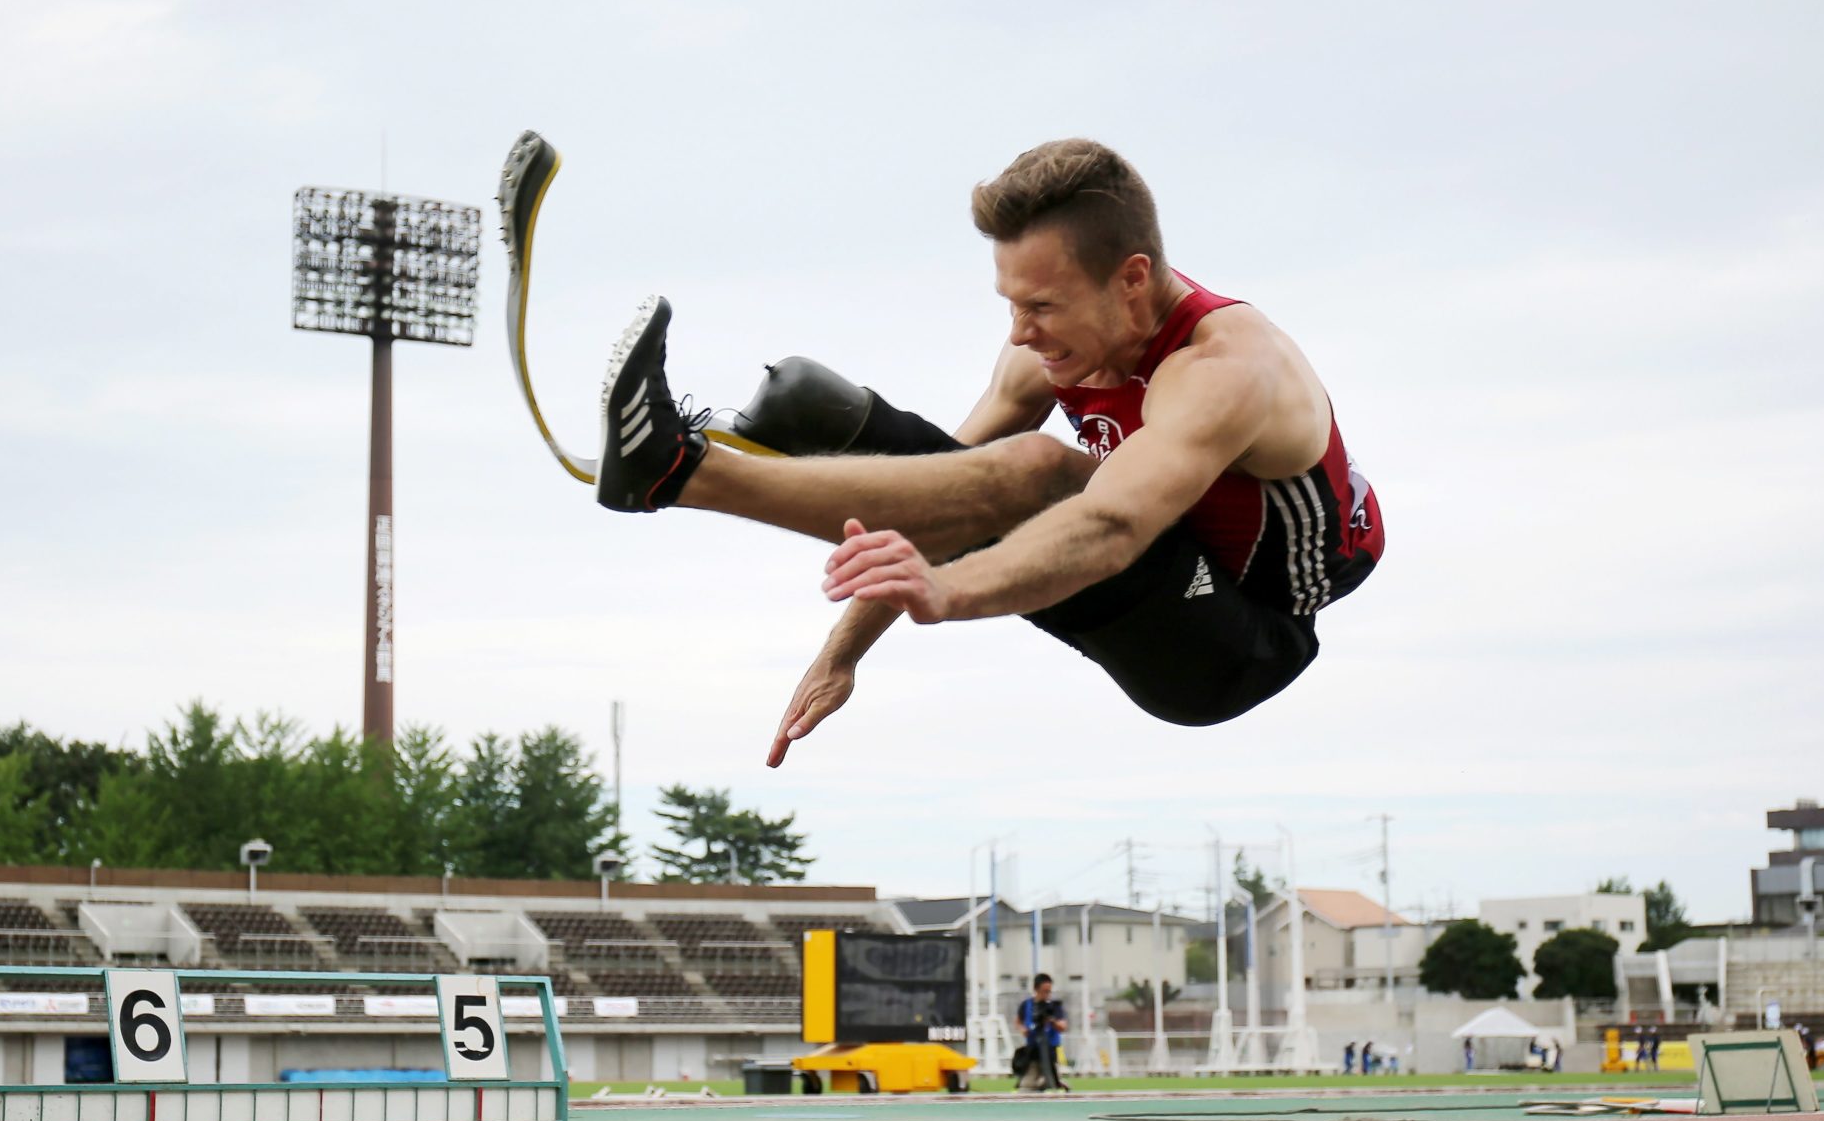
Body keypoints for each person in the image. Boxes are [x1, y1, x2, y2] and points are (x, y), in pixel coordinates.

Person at [592, 140, 1385, 761]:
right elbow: (947, 495)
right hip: (1152, 583)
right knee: (810, 397)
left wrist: (944, 593)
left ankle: (677, 471)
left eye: (1043, 305)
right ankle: (711, 452)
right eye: (1010, 303)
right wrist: (843, 654)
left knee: (1041, 469)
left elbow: (1109, 525)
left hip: (1242, 646)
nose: (1020, 332)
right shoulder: (1048, 351)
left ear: (1133, 279)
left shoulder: (1225, 368)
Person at [1015, 974, 1070, 1092]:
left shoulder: (1054, 1007)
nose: (1046, 994)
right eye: (1044, 991)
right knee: (1026, 1087)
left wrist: (1052, 1021)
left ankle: (1057, 1083)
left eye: (1049, 991)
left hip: (1050, 1051)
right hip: (1033, 1051)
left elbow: (1063, 1026)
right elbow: (1018, 1022)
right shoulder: (1027, 1005)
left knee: (1051, 1083)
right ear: (1036, 989)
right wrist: (1023, 1029)